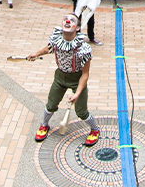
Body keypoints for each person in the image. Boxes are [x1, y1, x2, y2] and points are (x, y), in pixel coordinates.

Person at [28, 12, 100, 147]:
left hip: (77, 79)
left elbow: (85, 74)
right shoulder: (56, 39)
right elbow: (49, 48)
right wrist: (37, 54)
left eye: (72, 20)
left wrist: (77, 94)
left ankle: (95, 129)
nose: (67, 21)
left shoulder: (83, 48)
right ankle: (44, 125)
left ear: (77, 28)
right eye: (65, 19)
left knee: (81, 111)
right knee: (51, 104)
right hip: (60, 77)